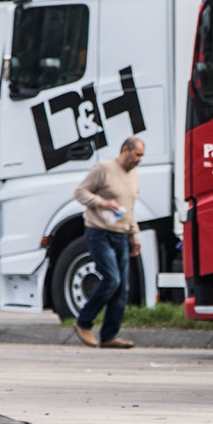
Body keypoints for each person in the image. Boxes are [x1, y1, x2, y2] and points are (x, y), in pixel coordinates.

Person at [70, 135, 144, 348]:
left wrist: (135, 235)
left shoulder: (134, 175)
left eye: (142, 156)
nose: (139, 160)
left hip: (121, 234)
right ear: (125, 150)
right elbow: (80, 192)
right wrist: (101, 202)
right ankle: (83, 323)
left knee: (123, 288)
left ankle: (109, 335)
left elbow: (129, 208)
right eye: (137, 155)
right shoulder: (104, 168)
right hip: (99, 232)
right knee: (112, 279)